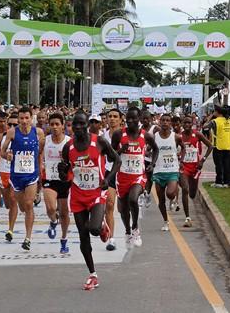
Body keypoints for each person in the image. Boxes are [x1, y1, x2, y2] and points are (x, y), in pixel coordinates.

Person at [58, 111, 120, 290]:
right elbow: (65, 177)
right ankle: (93, 274)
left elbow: (116, 160)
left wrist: (108, 179)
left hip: (96, 194)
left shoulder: (99, 142)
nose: (78, 127)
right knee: (83, 237)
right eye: (75, 124)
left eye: (81, 124)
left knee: (93, 229)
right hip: (77, 196)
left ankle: (101, 227)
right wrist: (62, 171)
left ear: (87, 125)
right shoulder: (68, 147)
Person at [111, 107, 158, 247]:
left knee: (133, 199)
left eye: (134, 119)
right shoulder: (119, 134)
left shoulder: (146, 136)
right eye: (128, 119)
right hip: (122, 176)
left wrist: (152, 164)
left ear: (139, 119)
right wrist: (120, 150)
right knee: (123, 208)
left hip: (138, 176)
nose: (130, 121)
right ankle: (127, 231)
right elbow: (110, 155)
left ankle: (135, 228)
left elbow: (156, 149)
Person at [0, 107, 45, 251]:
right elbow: (2, 152)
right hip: (16, 175)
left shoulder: (38, 132)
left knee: (29, 204)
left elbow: (41, 151)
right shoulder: (13, 132)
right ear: (18, 119)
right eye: (21, 118)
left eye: (27, 118)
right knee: (22, 207)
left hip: (31, 174)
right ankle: (24, 226)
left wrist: (41, 168)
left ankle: (28, 238)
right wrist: (7, 156)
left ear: (32, 119)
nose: (24, 121)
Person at [41, 112, 71, 253]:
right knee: (51, 208)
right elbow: (38, 155)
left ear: (62, 126)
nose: (54, 127)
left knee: (64, 213)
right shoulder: (45, 140)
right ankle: (53, 221)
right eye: (51, 124)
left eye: (57, 124)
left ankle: (64, 239)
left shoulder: (69, 142)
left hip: (64, 181)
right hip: (49, 178)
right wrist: (40, 165)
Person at [152, 113, 185, 231]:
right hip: (158, 171)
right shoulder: (154, 136)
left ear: (170, 123)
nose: (165, 122)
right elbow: (149, 149)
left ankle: (174, 198)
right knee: (161, 200)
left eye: (167, 120)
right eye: (163, 120)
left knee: (169, 193)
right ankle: (165, 221)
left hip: (172, 169)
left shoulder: (175, 136)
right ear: (160, 122)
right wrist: (148, 157)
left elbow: (183, 147)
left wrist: (181, 159)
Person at [179, 115, 213, 227]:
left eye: (189, 123)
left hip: (195, 167)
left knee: (192, 194)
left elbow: (210, 146)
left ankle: (191, 198)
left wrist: (202, 160)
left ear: (192, 123)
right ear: (182, 124)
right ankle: (187, 218)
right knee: (185, 189)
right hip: (183, 167)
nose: (187, 125)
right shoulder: (179, 136)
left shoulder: (197, 134)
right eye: (185, 123)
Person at [0, 113, 18, 242]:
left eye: (15, 125)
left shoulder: (24, 139)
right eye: (10, 124)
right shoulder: (1, 137)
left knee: (12, 201)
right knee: (7, 204)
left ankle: (10, 230)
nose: (12, 127)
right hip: (3, 173)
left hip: (16, 173)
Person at [102, 108, 123, 251]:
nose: (112, 119)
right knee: (109, 205)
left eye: (115, 116)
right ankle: (112, 238)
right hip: (108, 172)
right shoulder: (101, 137)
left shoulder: (126, 135)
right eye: (110, 116)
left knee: (123, 208)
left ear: (121, 119)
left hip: (125, 173)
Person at [206, 105, 230, 188]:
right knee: (226, 165)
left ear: (218, 112)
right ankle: (226, 182)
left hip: (218, 146)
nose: (214, 112)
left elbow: (205, 126)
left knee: (219, 165)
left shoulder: (215, 121)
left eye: (214, 111)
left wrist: (210, 117)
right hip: (228, 146)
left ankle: (218, 182)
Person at [140, 111, 160, 207]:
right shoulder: (140, 129)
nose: (145, 120)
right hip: (143, 157)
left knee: (149, 178)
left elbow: (162, 137)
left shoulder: (155, 128)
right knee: (144, 177)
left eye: (147, 118)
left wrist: (151, 148)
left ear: (151, 119)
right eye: (143, 119)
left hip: (153, 157)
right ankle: (144, 194)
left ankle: (147, 194)